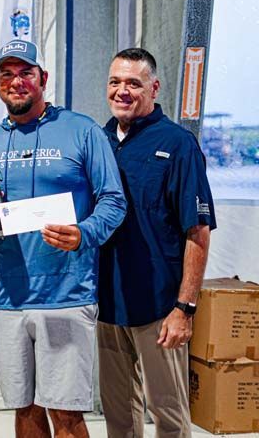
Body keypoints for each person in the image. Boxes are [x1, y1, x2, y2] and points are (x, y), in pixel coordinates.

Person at [0, 39, 126, 438]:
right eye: (7, 74)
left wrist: (83, 234)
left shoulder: (82, 131)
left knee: (67, 415)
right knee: (24, 410)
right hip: (6, 297)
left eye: (26, 73)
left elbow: (113, 200)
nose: (16, 81)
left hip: (67, 295)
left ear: (43, 79)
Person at [97, 48, 216, 437]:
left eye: (134, 83)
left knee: (168, 414)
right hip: (107, 305)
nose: (123, 91)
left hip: (159, 308)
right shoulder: (99, 142)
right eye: (115, 82)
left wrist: (184, 307)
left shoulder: (178, 144)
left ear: (154, 87)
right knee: (118, 417)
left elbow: (197, 231)